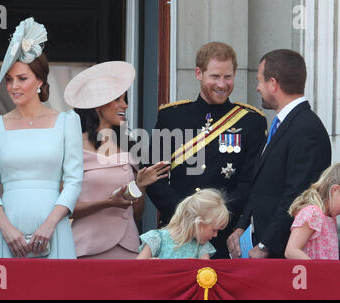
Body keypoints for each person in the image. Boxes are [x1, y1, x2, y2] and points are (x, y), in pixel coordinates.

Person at [145, 41, 267, 259]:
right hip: (177, 235)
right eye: (215, 76)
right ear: (199, 73)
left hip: (222, 237)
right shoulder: (171, 117)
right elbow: (154, 177)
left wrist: (215, 221)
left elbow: (249, 183)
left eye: (227, 77)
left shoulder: (251, 121)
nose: (222, 84)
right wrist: (187, 219)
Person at [0, 17, 83, 258]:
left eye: (21, 78)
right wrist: (6, 229)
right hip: (7, 232)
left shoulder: (67, 122)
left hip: (54, 229)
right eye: (9, 79)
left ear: (39, 81)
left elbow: (74, 181)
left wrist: (50, 225)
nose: (13, 86)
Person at [227, 49, 332, 259]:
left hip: (283, 258)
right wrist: (241, 226)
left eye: (260, 81)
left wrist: (266, 245)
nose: (257, 87)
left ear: (273, 84)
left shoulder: (306, 129)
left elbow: (298, 195)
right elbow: (262, 188)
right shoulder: (283, 124)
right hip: (263, 247)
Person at [64, 61, 170, 259]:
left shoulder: (131, 146)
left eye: (125, 99)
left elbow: (136, 214)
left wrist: (140, 186)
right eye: (118, 100)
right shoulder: (72, 146)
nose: (125, 105)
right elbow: (64, 210)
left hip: (127, 248)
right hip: (86, 249)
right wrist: (107, 203)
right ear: (97, 105)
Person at [137, 188, 229, 259]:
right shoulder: (157, 239)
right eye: (214, 230)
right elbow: (137, 268)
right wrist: (151, 264)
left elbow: (205, 275)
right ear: (199, 223)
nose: (216, 235)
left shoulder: (202, 248)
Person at [284, 163, 339, 259]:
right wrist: (316, 270)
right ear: (335, 190)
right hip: (313, 273)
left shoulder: (331, 218)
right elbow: (291, 250)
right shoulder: (313, 213)